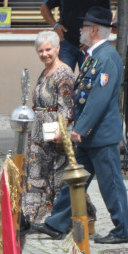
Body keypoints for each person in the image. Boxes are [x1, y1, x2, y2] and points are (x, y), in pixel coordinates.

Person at [32, 6, 128, 245]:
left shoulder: (107, 58)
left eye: (85, 26)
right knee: (73, 182)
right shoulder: (93, 56)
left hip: (100, 135)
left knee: (111, 184)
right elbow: (82, 96)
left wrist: (79, 129)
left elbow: (98, 99)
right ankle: (56, 224)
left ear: (95, 30)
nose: (81, 30)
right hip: (89, 135)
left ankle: (122, 229)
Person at [24, 31, 75, 223]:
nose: (44, 54)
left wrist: (61, 131)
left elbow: (66, 105)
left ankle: (59, 216)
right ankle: (32, 214)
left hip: (54, 126)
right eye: (40, 51)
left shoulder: (64, 72)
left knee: (56, 173)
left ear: (58, 48)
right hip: (38, 129)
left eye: (48, 49)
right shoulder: (45, 71)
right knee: (36, 171)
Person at [40, 0, 110, 71]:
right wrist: (55, 26)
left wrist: (94, 39)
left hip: (89, 45)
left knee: (88, 80)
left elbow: (106, 20)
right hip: (66, 42)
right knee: (63, 78)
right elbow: (44, 8)